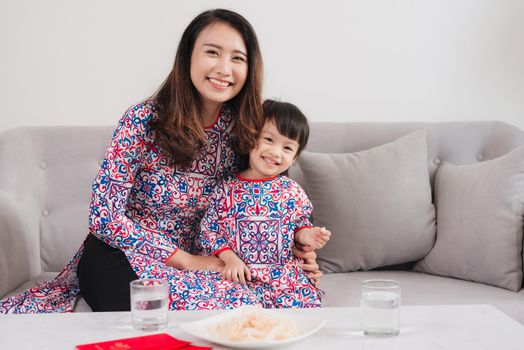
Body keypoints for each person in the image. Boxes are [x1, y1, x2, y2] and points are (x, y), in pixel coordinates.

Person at [0, 9, 320, 314]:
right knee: (142, 301)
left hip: (210, 259)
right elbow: (103, 216)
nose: (224, 68)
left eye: (237, 58)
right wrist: (184, 259)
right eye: (212, 52)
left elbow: (261, 204)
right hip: (127, 254)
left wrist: (293, 254)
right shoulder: (142, 121)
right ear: (187, 57)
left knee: (238, 306)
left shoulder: (248, 130)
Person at [199, 99, 331, 308]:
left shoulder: (292, 191)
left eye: (287, 148)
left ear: (295, 158)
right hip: (239, 277)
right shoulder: (226, 189)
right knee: (217, 300)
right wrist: (229, 259)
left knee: (303, 304)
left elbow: (299, 226)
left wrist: (309, 235)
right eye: (269, 139)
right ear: (251, 138)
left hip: (283, 279)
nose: (276, 152)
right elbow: (209, 230)